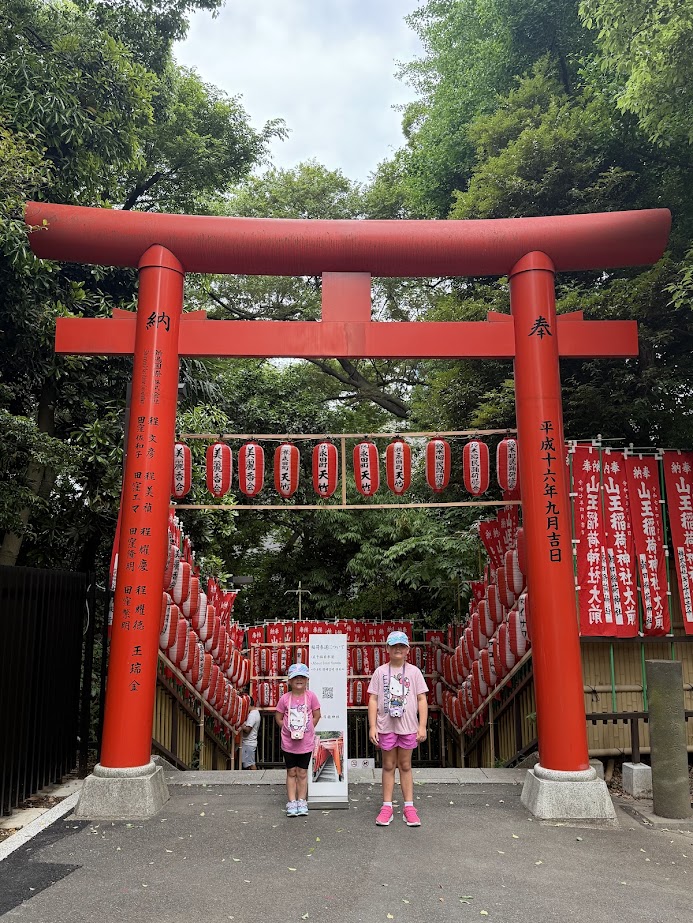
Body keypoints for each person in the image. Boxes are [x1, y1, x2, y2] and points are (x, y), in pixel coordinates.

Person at [368, 630, 428, 827]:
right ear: (387, 649)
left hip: (408, 726)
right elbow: (373, 699)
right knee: (387, 765)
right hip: (386, 726)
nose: (398, 649)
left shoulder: (414, 672)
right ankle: (387, 806)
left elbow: (421, 699)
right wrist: (372, 726)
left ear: (408, 650)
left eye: (401, 646)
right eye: (394, 646)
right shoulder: (380, 672)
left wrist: (422, 726)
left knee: (405, 765)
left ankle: (409, 807)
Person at [275, 663, 321, 817]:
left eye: (302, 677)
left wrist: (307, 729)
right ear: (289, 680)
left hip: (305, 743)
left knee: (302, 772)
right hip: (288, 743)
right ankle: (292, 801)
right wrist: (287, 729)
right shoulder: (284, 698)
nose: (299, 680)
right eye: (295, 677)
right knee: (291, 771)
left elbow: (317, 715)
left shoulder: (311, 696)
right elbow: (279, 717)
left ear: (307, 679)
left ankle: (302, 801)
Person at [241, 696, 261, 770]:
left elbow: (247, 730)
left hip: (248, 742)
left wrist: (240, 724)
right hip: (248, 742)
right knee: (249, 763)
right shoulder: (255, 712)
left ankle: (256, 780)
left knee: (250, 764)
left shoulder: (252, 715)